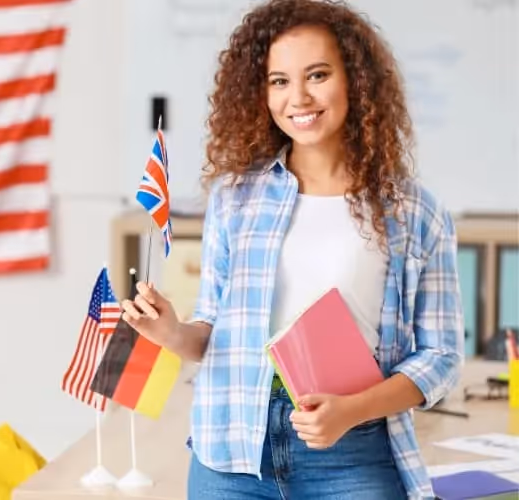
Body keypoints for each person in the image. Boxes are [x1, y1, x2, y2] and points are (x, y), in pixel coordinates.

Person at [119, 0, 464, 498]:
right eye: (278, 81)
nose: (298, 97)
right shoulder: (236, 199)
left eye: (317, 75)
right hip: (232, 454)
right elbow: (213, 334)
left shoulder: (414, 211)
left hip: (352, 452)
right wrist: (173, 333)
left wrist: (351, 411)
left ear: (356, 81)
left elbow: (441, 356)